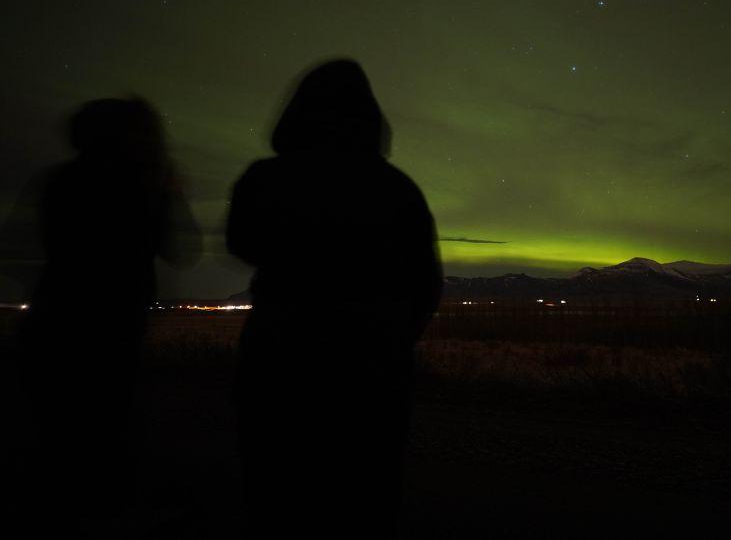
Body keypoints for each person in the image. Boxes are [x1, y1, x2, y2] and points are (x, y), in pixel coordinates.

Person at [227, 59, 441, 536]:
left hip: (277, 368)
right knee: (364, 501)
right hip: (372, 379)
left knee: (277, 498)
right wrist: (391, 341)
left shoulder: (267, 178)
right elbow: (426, 284)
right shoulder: (398, 189)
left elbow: (240, 241)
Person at [6, 97, 201, 532]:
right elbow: (182, 251)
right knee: (104, 441)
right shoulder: (140, 189)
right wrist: (169, 192)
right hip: (110, 332)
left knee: (62, 445)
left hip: (55, 324)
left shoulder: (60, 180)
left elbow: (16, 250)